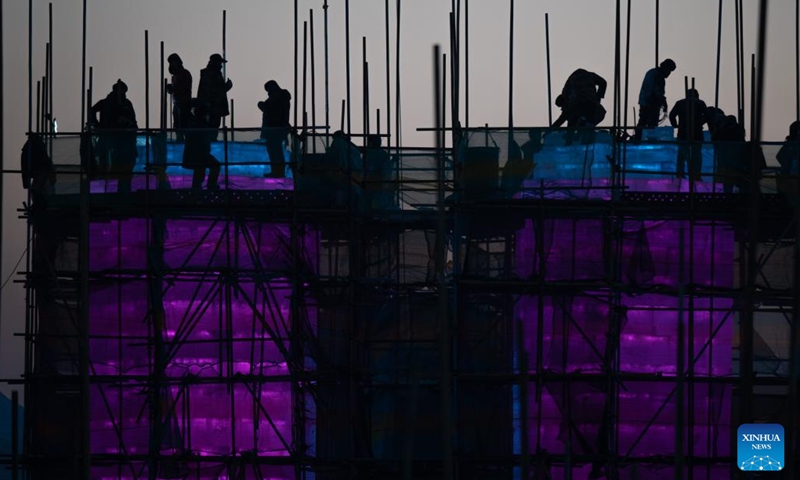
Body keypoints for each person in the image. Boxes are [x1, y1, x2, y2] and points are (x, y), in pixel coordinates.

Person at [90, 79, 138, 193]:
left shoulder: (126, 103)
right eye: (123, 92)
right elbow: (92, 110)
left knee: (122, 167)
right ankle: (111, 191)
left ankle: (121, 190)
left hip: (123, 139)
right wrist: (96, 124)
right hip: (111, 138)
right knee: (110, 165)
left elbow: (133, 121)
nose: (124, 94)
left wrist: (131, 127)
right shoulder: (107, 103)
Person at [552, 69, 607, 145]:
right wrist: (598, 98)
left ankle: (569, 142)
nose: (562, 109)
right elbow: (603, 82)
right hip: (592, 105)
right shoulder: (590, 75)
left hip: (579, 104)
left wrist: (550, 129)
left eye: (562, 107)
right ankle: (583, 136)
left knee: (572, 122)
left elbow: (563, 117)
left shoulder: (566, 93)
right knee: (587, 122)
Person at [631, 58, 676, 142]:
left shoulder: (652, 72)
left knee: (642, 122)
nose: (669, 74)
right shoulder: (658, 76)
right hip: (650, 103)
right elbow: (658, 92)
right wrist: (664, 102)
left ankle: (638, 138)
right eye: (669, 71)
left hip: (644, 101)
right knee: (651, 125)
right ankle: (649, 141)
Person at [669, 88, 707, 180]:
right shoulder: (700, 103)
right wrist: (700, 123)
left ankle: (680, 173)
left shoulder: (680, 103)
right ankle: (696, 174)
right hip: (696, 133)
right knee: (696, 155)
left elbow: (672, 115)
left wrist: (675, 125)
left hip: (683, 133)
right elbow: (707, 116)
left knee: (682, 154)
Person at [182, 100, 220, 191]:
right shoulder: (200, 124)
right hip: (199, 154)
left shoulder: (194, 123)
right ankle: (209, 185)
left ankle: (198, 188)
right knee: (213, 166)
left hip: (197, 154)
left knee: (200, 170)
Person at [257, 80, 292, 178]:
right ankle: (277, 171)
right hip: (277, 128)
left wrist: (261, 104)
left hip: (274, 129)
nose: (268, 92)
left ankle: (277, 172)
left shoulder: (277, 97)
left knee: (275, 152)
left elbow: (270, 110)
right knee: (276, 151)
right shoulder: (281, 97)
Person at [196, 53, 232, 141]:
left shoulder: (215, 74)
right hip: (211, 108)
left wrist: (225, 87)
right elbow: (209, 91)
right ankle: (209, 143)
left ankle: (211, 141)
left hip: (214, 108)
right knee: (211, 128)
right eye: (219, 63)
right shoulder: (209, 74)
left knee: (214, 127)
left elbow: (216, 90)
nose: (221, 65)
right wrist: (225, 87)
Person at [501, 129, 542, 197]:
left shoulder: (542, 148)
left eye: (538, 135)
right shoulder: (516, 165)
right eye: (536, 135)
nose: (538, 137)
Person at [21, 133, 55, 210]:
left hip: (40, 170)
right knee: (37, 189)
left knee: (37, 189)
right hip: (40, 170)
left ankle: (38, 205)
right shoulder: (35, 146)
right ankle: (39, 205)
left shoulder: (32, 146)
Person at [362, 134, 396, 210]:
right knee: (378, 204)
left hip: (369, 181)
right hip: (381, 182)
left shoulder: (368, 153)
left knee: (368, 203)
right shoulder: (384, 154)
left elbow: (363, 166)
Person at [166, 53, 192, 142]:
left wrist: (173, 88)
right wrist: (170, 89)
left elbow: (184, 88)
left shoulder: (185, 73)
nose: (171, 65)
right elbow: (174, 91)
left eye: (173, 62)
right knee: (177, 124)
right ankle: (179, 139)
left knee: (183, 124)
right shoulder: (174, 76)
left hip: (184, 103)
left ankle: (184, 141)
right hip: (177, 103)